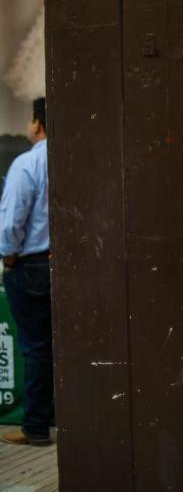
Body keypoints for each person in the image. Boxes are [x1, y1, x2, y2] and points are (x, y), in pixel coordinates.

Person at [1, 98, 54, 445]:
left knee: (35, 348)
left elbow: (11, 224)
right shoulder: (78, 158)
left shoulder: (27, 163)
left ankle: (35, 426)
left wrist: (7, 257)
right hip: (70, 265)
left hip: (31, 267)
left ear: (36, 124)